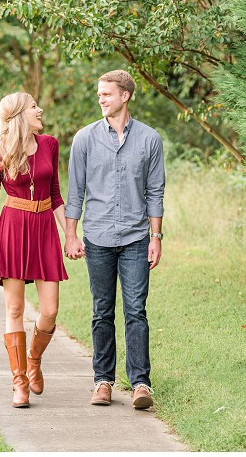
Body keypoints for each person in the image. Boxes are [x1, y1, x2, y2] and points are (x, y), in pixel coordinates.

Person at [64, 69, 165, 410]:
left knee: (136, 311)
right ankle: (103, 382)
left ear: (125, 95)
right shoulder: (85, 139)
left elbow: (156, 192)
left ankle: (140, 385)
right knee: (102, 311)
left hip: (137, 238)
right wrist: (71, 234)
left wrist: (156, 236)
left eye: (106, 94)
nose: (101, 99)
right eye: (99, 95)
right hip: (98, 238)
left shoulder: (150, 139)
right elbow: (75, 192)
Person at [0, 92, 68, 408]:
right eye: (34, 107)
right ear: (19, 115)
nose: (40, 109)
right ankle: (19, 382)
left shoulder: (50, 144)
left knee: (50, 310)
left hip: (44, 227)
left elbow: (56, 194)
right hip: (13, 230)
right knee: (14, 310)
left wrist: (69, 233)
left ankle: (33, 359)